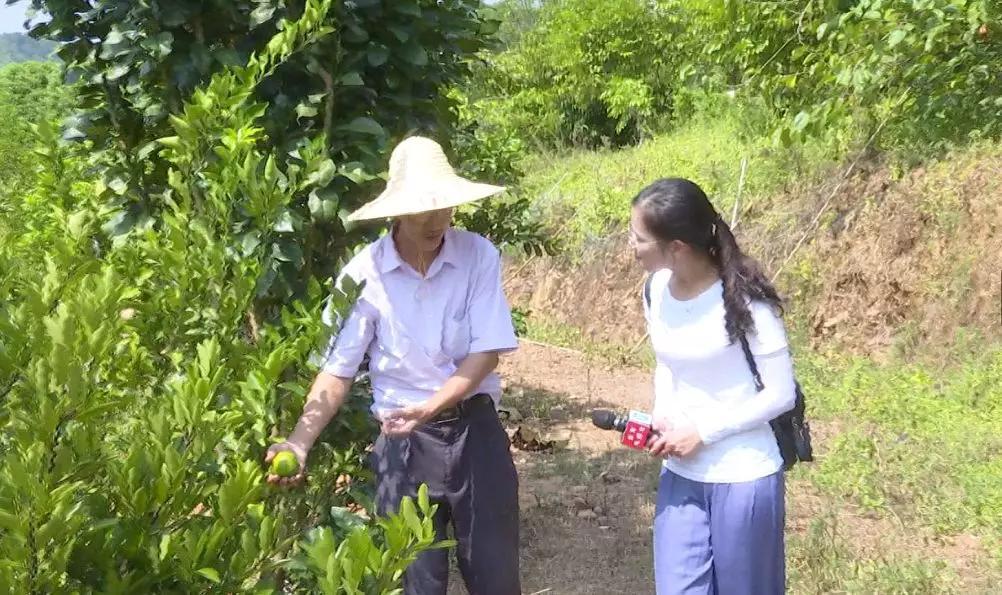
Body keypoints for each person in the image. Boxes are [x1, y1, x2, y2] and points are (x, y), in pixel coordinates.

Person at [266, 136, 522, 595]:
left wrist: (430, 407)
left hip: (475, 434)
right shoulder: (364, 274)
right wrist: (299, 442)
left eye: (445, 206)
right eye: (425, 209)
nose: (438, 219)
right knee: (414, 582)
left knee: (496, 579)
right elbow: (337, 369)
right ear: (397, 211)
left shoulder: (477, 255)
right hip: (402, 447)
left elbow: (487, 352)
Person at [629, 178, 796, 595]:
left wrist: (703, 432)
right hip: (681, 473)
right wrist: (663, 411)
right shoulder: (655, 291)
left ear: (677, 248)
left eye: (638, 238)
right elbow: (667, 363)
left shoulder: (746, 303)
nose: (630, 245)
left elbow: (780, 395)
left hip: (743, 475)